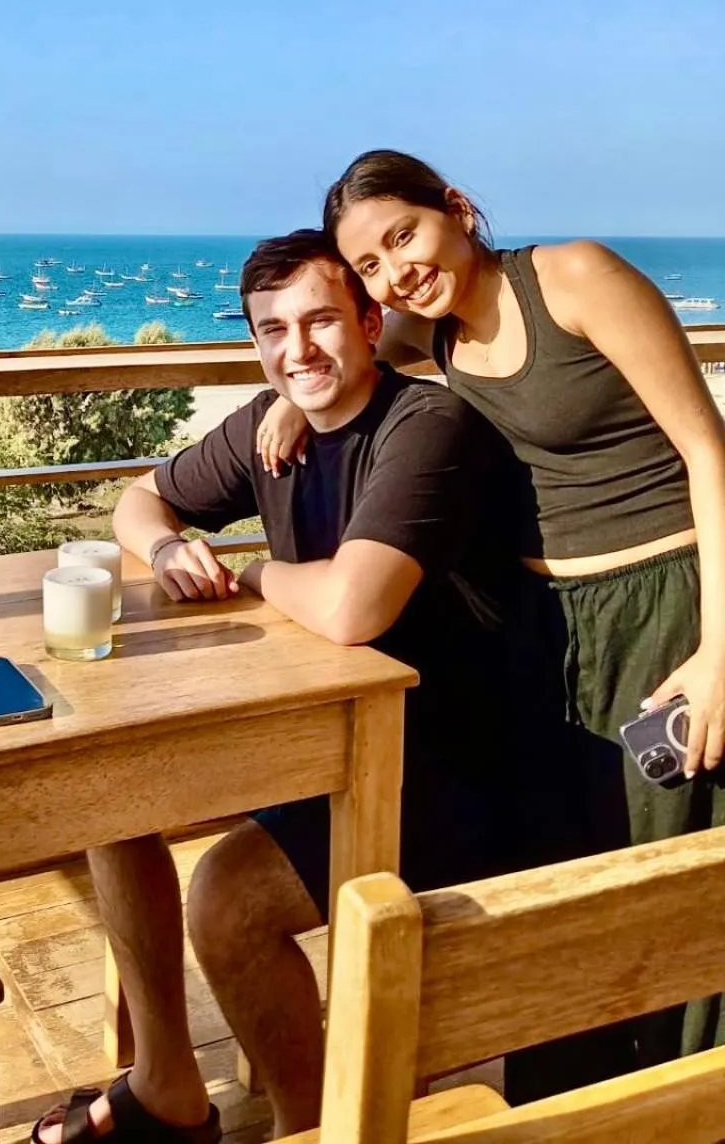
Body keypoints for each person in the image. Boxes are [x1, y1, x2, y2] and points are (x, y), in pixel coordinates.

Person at [32, 229, 515, 1144]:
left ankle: (308, 1126)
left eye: (321, 321)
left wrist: (249, 572)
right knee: (111, 791)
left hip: (448, 763)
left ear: (371, 323)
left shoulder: (426, 429)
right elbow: (138, 501)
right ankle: (166, 1086)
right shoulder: (271, 421)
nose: (298, 350)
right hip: (322, 729)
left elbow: (350, 609)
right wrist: (169, 549)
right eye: (273, 330)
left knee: (227, 901)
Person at [257, 150, 725, 1063]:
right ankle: (574, 1094)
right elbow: (349, 349)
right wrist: (279, 399)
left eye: (405, 236)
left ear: (458, 210)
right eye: (369, 265)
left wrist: (719, 652)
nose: (397, 272)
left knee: (669, 863)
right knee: (566, 868)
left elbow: (710, 452)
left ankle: (687, 1095)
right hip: (547, 628)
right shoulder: (430, 329)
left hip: (665, 602)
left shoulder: (574, 278)